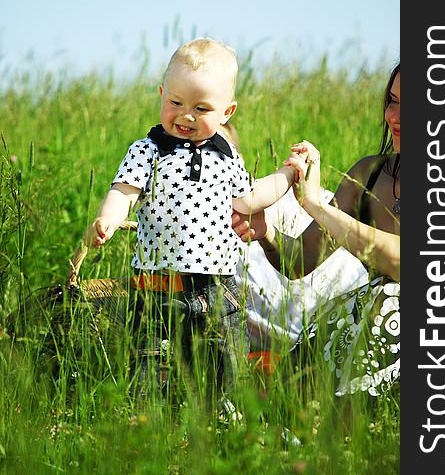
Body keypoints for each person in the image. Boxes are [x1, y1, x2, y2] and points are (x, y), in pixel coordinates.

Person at [85, 37, 297, 400]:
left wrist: (288, 174)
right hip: (156, 286)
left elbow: (249, 199)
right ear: (161, 93)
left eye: (201, 108)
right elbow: (124, 191)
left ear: (226, 113)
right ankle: (149, 426)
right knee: (149, 367)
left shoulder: (226, 156)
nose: (185, 115)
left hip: (216, 287)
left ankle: (219, 421)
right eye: (176, 102)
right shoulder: (147, 150)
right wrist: (106, 218)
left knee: (222, 368)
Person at [232, 62, 400, 395]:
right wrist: (265, 234)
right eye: (392, 101)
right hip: (362, 320)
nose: (394, 116)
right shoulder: (370, 173)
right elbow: (299, 263)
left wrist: (317, 206)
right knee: (291, 384)